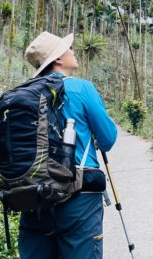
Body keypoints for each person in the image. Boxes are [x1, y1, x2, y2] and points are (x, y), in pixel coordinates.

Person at [19, 31, 117, 259]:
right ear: (58, 59)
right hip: (78, 200)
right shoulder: (82, 88)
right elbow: (108, 139)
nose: (73, 51)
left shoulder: (23, 94)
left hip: (32, 197)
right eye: (68, 48)